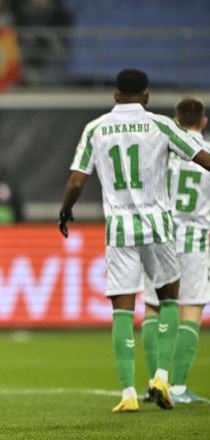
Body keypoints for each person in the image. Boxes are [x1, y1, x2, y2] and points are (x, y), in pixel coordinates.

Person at [58, 69, 210, 413]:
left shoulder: (95, 128)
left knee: (123, 309)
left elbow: (77, 180)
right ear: (146, 96)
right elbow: (202, 159)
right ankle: (161, 377)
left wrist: (65, 211)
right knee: (171, 298)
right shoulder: (160, 124)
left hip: (120, 230)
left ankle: (127, 392)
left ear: (115, 96)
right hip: (159, 227)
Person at [141, 97, 210, 405]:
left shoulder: (162, 150)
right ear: (203, 122)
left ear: (175, 119)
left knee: (154, 308)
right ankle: (179, 387)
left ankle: (155, 379)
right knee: (191, 310)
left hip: (162, 235)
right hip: (196, 238)